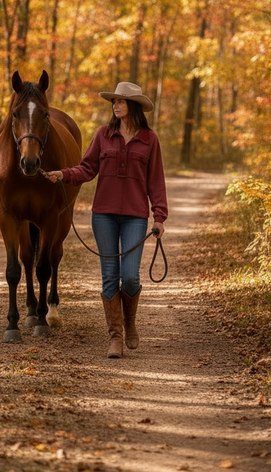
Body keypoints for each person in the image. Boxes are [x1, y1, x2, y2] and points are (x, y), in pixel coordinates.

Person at [43, 81, 168, 359]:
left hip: (135, 216)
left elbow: (156, 182)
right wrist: (64, 174)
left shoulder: (150, 139)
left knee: (131, 277)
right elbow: (87, 168)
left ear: (132, 105)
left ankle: (129, 322)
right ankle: (115, 338)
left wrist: (159, 217)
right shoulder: (103, 134)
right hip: (104, 216)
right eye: (114, 101)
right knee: (110, 277)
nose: (115, 105)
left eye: (121, 101)